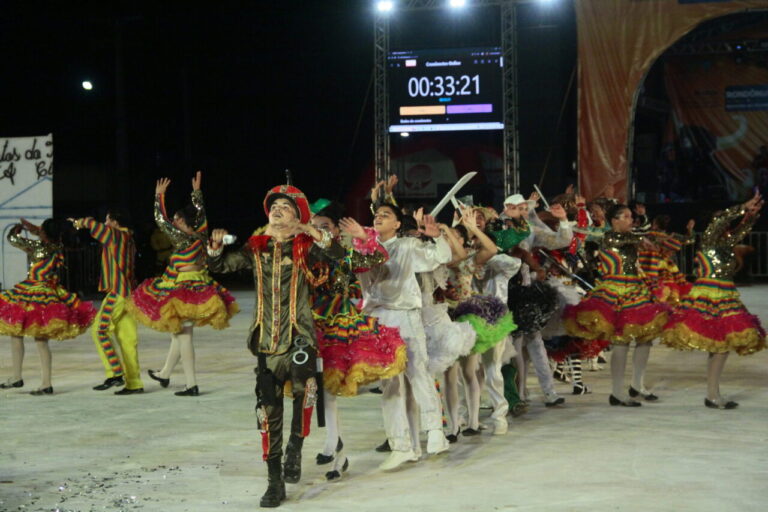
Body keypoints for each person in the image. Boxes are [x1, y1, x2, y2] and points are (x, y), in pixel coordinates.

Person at [208, 183, 344, 508]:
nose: (277, 209)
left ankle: (296, 447)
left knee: (305, 389)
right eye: (275, 206)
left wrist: (308, 229)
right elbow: (220, 267)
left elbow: (337, 254)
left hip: (299, 334)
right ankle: (274, 481)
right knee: (267, 411)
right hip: (266, 340)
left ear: (297, 216)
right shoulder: (257, 247)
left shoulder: (307, 245)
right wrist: (214, 249)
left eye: (285, 206)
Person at [309, 200, 407, 481]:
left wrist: (364, 238)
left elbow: (376, 258)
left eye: (325, 227)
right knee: (317, 389)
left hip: (339, 323)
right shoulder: (304, 254)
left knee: (328, 386)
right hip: (309, 322)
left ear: (336, 232)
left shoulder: (343, 253)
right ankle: (335, 447)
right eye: (314, 228)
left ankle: (334, 448)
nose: (319, 232)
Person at [357, 201, 452, 471]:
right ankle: (401, 445)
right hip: (377, 319)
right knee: (389, 384)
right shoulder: (364, 248)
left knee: (417, 373)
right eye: (376, 214)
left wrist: (437, 237)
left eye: (386, 215)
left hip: (405, 315)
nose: (379, 218)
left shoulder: (408, 246)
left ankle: (435, 431)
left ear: (398, 224)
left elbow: (440, 257)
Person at [128, 172, 238, 396]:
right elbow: (201, 213)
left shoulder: (183, 238)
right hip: (197, 287)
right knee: (178, 333)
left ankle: (191, 384)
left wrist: (159, 197)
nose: (175, 222)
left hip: (186, 290)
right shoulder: (201, 234)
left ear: (186, 224)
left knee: (183, 335)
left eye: (178, 219)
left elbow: (161, 220)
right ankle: (165, 373)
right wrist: (197, 193)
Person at [663, 192, 766, 408]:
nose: (726, 224)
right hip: (709, 294)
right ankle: (712, 394)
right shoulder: (709, 239)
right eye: (722, 220)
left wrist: (751, 216)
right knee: (720, 345)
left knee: (722, 345)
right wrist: (742, 207)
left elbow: (742, 230)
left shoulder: (726, 243)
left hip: (726, 293)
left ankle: (713, 393)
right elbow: (721, 220)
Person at [564, 204, 669, 406]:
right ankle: (617, 392)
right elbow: (636, 237)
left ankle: (637, 386)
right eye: (627, 217)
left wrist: (650, 234)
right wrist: (645, 238)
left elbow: (644, 232)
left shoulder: (629, 237)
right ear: (615, 220)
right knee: (621, 341)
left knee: (645, 339)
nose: (631, 220)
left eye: (631, 217)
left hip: (636, 290)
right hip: (615, 292)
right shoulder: (610, 237)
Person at [0, 218, 96, 395]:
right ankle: (42, 382)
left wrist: (16, 229)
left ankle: (23, 378)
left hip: (32, 292)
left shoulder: (38, 248)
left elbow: (13, 240)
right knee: (39, 339)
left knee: (19, 333)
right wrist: (36, 229)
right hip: (48, 294)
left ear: (44, 233)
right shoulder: (57, 245)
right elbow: (48, 236)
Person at [70, 208, 142, 394]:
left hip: (118, 291)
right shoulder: (129, 238)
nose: (106, 224)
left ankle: (115, 373)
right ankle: (134, 383)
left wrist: (81, 222)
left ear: (116, 222)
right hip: (129, 293)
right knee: (127, 339)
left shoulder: (117, 235)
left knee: (99, 330)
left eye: (108, 220)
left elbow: (94, 226)